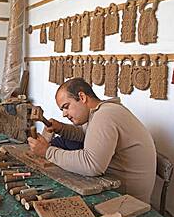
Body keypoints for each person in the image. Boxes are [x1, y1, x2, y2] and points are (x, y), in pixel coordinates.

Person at [28, 78, 156, 203]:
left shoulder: (105, 115)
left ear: (82, 97)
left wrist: (47, 152)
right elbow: (86, 134)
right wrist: (61, 128)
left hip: (128, 200)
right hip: (116, 188)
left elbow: (91, 165)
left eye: (66, 107)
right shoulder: (101, 112)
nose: (64, 114)